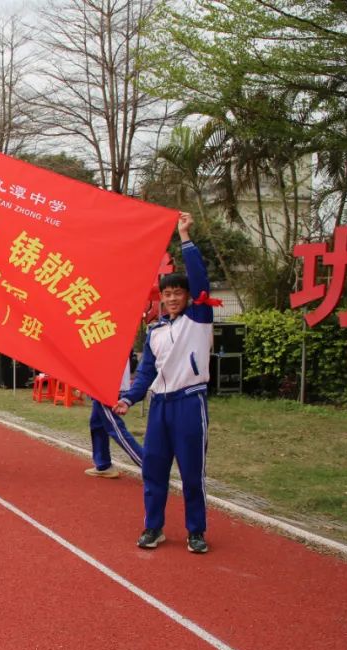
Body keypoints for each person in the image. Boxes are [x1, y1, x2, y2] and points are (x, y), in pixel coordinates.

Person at [114, 212, 213, 554]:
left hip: (189, 403)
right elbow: (146, 372)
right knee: (153, 470)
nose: (172, 298)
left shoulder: (198, 319)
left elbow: (201, 283)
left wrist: (185, 237)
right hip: (160, 408)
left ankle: (195, 531)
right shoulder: (155, 331)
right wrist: (129, 398)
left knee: (191, 474)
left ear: (187, 297)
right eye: (167, 294)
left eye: (178, 293)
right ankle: (153, 527)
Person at [85, 358, 144, 478]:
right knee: (97, 425)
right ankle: (103, 465)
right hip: (103, 385)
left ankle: (149, 466)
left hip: (106, 386)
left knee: (116, 429)